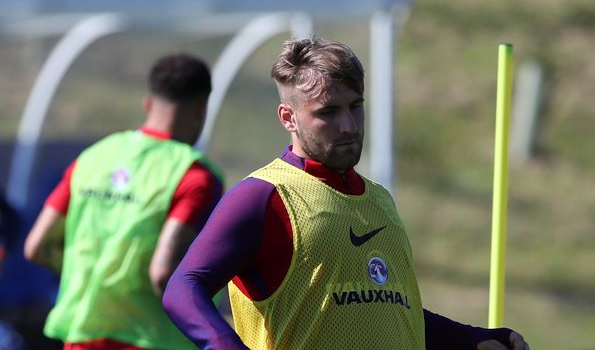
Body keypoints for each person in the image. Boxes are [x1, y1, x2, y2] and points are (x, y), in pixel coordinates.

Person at [162, 38, 531, 350]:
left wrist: (471, 339)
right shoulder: (264, 196)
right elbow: (182, 289)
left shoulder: (380, 201)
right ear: (288, 118)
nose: (349, 126)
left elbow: (387, 309)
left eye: (356, 107)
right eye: (328, 112)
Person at [24, 53, 225, 350]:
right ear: (201, 108)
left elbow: (36, 247)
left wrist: (98, 277)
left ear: (148, 104)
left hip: (81, 337)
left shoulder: (93, 158)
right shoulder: (194, 175)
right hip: (152, 339)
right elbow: (163, 273)